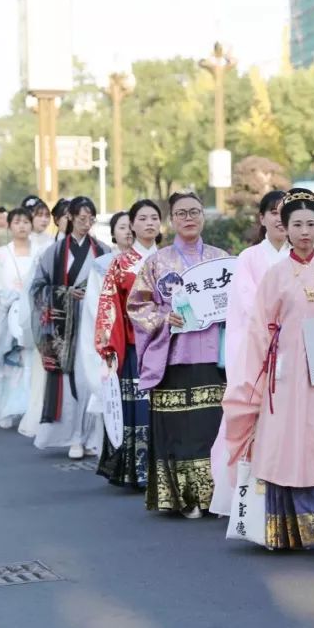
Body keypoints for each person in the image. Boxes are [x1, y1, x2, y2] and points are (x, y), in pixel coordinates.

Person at [223, 189, 314, 553]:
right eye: (296, 224)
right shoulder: (275, 274)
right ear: (284, 227)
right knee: (287, 447)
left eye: (311, 224)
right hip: (284, 377)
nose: (303, 231)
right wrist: (256, 375)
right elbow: (258, 328)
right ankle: (286, 529)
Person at [127, 192, 227, 518]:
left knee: (211, 427)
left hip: (213, 355)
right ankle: (185, 497)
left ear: (203, 216)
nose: (189, 218)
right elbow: (138, 306)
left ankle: (215, 495)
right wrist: (163, 317)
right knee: (180, 428)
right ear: (171, 220)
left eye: (195, 212)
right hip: (173, 355)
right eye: (182, 213)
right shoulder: (157, 263)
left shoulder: (220, 259)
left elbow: (240, 302)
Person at [211, 189, 289, 516]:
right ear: (262, 218)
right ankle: (245, 498)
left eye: (285, 212)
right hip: (258, 350)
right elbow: (249, 303)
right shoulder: (249, 258)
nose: (279, 218)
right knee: (252, 421)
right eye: (273, 212)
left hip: (293, 352)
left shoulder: (302, 257)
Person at [28, 196, 108, 459]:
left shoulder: (104, 251)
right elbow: (37, 289)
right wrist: (64, 292)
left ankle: (93, 435)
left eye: (91, 219)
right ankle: (74, 436)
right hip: (66, 326)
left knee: (93, 380)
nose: (86, 224)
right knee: (71, 380)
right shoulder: (53, 253)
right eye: (81, 218)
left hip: (94, 321)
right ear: (70, 218)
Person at [94, 199, 161, 489]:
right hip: (135, 347)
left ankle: (164, 470)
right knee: (138, 409)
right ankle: (138, 469)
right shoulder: (120, 264)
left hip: (167, 346)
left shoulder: (171, 258)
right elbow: (109, 306)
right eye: (142, 218)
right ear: (131, 225)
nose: (149, 223)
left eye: (154, 217)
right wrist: (110, 350)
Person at [0, 208, 38, 429]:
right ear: (10, 225)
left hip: (32, 314)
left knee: (31, 362)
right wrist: (7, 297)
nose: (22, 226)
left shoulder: (40, 252)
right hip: (7, 314)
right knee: (9, 363)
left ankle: (29, 409)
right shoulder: (1, 255)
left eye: (26, 221)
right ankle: (5, 406)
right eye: (17, 222)